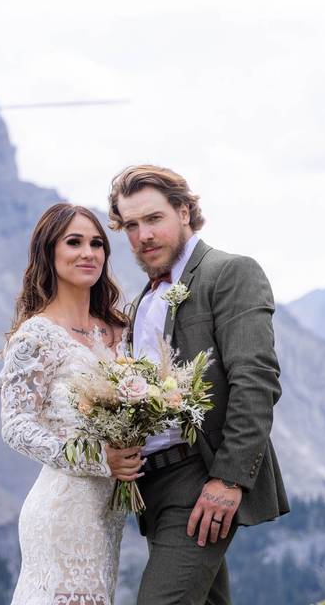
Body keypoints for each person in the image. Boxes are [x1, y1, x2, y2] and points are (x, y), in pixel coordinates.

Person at [108, 165, 289, 605]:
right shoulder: (141, 302)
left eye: (153, 219)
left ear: (184, 211)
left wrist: (228, 479)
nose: (142, 235)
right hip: (152, 486)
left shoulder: (229, 273)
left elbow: (256, 379)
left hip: (200, 475)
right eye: (131, 225)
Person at [0, 203, 143, 605]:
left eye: (97, 244)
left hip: (109, 513)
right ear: (49, 252)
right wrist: (100, 459)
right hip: (63, 510)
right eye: (74, 242)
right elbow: (16, 426)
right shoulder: (36, 336)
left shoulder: (121, 331)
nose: (88, 253)